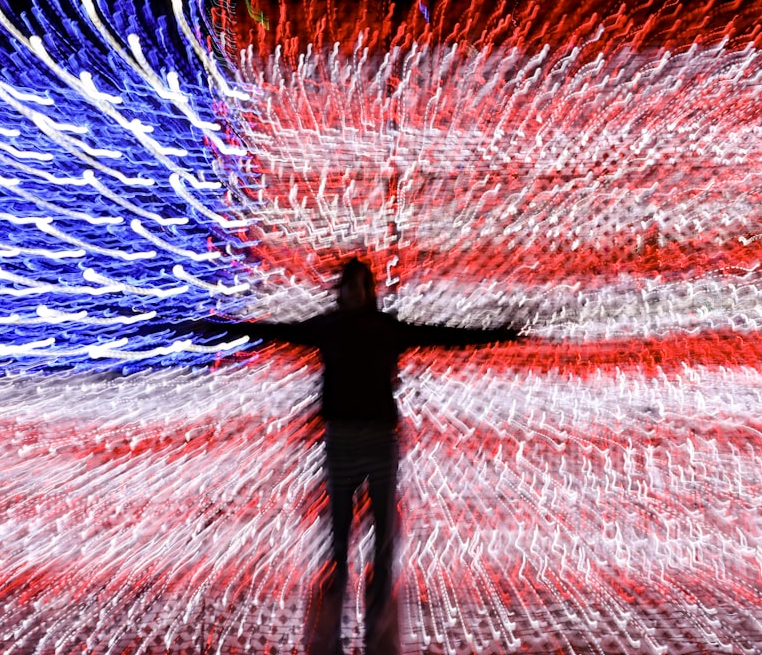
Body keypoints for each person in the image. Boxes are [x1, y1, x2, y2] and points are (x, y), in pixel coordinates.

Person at [166, 258, 517, 655]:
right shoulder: (330, 327)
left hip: (378, 443)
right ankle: (344, 631)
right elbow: (271, 331)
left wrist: (499, 334)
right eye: (351, 287)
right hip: (344, 443)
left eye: (363, 287)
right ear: (343, 290)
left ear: (369, 292)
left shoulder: (384, 329)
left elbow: (442, 336)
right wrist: (214, 327)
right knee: (341, 541)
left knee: (381, 540)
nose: (356, 294)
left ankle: (372, 630)